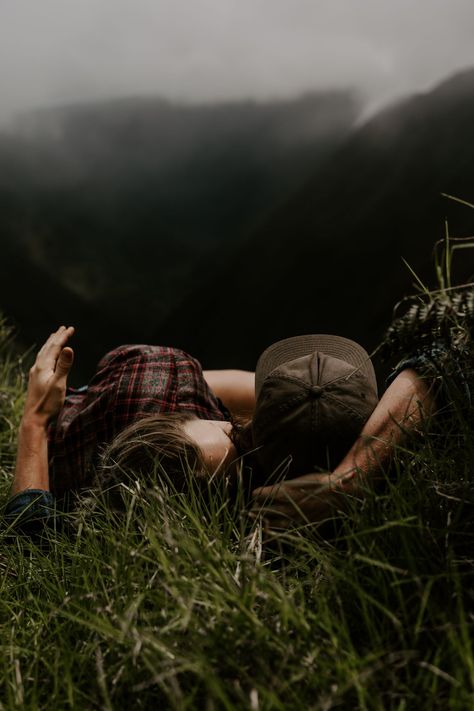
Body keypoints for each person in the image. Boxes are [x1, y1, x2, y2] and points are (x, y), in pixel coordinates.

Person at [5, 325, 435, 533]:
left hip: (93, 415)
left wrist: (36, 418)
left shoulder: (163, 374)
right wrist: (352, 476)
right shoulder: (275, 534)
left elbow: (31, 534)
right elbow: (438, 364)